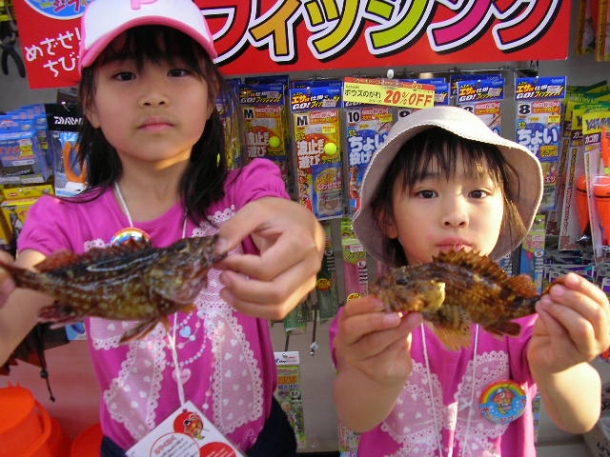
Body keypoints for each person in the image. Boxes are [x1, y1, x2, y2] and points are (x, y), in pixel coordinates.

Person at [0, 0, 325, 455]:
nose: (154, 94)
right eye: (125, 75)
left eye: (177, 71)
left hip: (257, 441)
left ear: (211, 96)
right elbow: (21, 296)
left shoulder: (246, 190)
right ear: (89, 104)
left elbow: (282, 217)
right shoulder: (60, 218)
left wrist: (308, 233)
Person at [330, 106, 610, 456]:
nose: (456, 216)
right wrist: (374, 376)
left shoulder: (529, 324)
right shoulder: (367, 323)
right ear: (388, 219)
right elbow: (356, 418)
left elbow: (580, 418)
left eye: (477, 193)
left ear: (505, 212)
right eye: (427, 193)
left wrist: (562, 368)